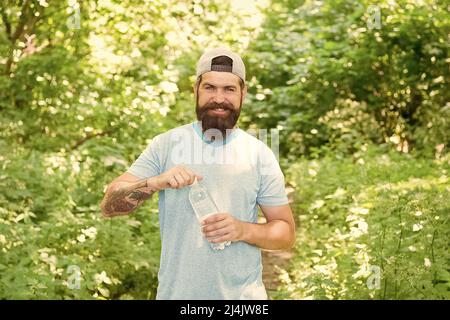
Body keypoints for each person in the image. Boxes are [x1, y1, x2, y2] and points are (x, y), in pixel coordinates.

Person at [100, 48, 296, 300]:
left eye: (229, 89)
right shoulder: (166, 145)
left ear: (243, 93)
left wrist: (242, 230)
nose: (219, 98)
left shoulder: (259, 154)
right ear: (196, 90)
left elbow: (285, 234)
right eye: (210, 88)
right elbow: (109, 206)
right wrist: (154, 182)